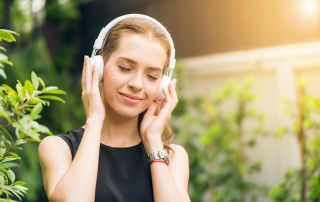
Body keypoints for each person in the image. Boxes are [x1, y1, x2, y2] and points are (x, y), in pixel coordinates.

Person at [38, 14, 190, 202]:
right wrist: (94, 119)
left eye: (151, 76)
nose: (137, 84)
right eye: (125, 68)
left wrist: (153, 143)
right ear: (99, 68)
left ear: (162, 85)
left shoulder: (173, 157)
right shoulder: (58, 148)